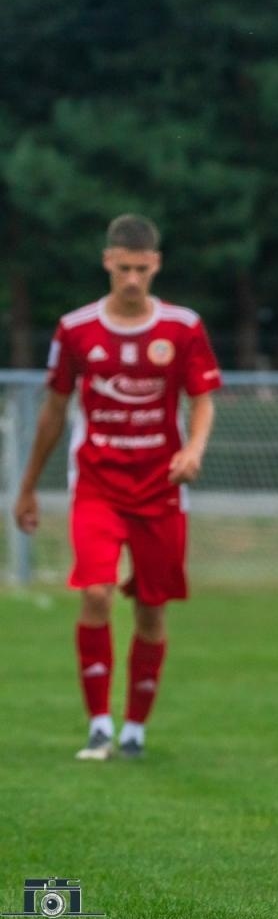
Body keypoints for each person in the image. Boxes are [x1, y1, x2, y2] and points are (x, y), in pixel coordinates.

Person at [12, 213, 221, 762]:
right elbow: (53, 412)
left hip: (161, 488)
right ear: (107, 262)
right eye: (123, 268)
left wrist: (193, 450)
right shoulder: (75, 329)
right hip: (97, 485)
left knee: (151, 608)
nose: (132, 279)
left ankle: (135, 730)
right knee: (96, 592)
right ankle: (100, 724)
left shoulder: (183, 327)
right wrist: (27, 487)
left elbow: (202, 399)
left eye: (141, 269)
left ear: (156, 265)